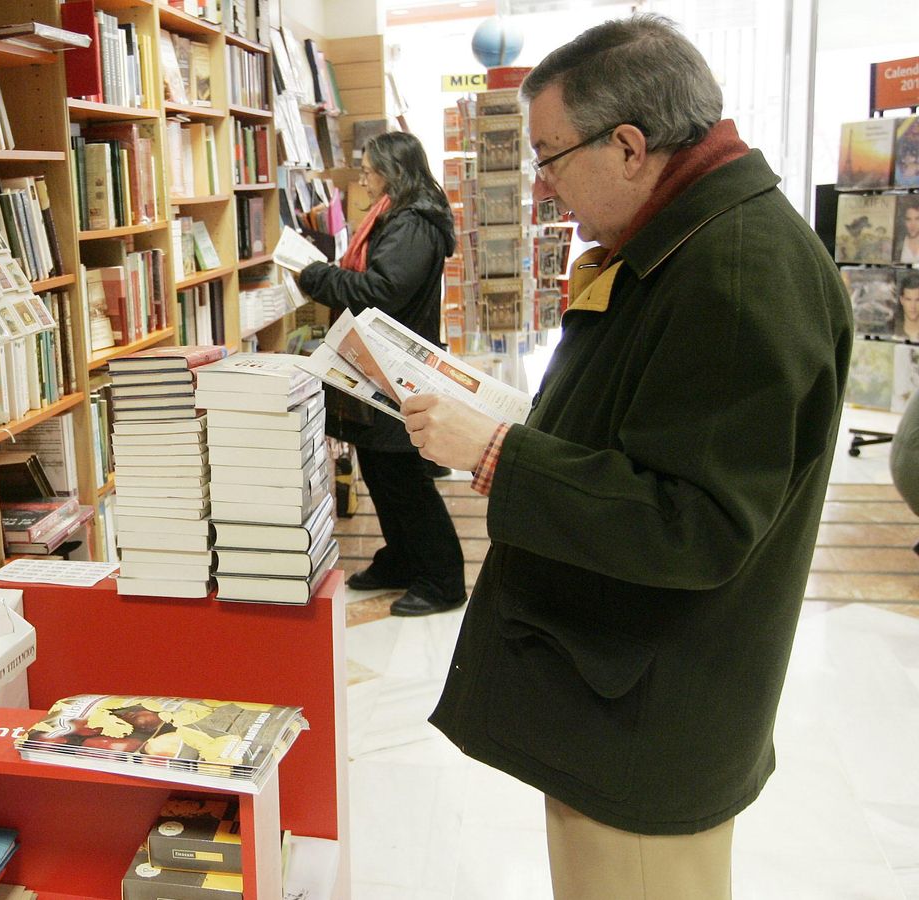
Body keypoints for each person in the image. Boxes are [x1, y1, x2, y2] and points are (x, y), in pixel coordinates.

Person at [399, 16, 851, 900]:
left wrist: (498, 452)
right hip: (626, 686)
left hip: (649, 705)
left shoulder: (732, 269)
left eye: (551, 158)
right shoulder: (697, 241)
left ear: (631, 146)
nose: (545, 188)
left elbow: (696, 523)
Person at [295, 131, 465, 616]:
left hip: (396, 368)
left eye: (369, 171)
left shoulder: (413, 223)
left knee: (403, 473)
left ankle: (442, 578)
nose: (364, 181)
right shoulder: (399, 216)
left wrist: (317, 277)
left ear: (393, 170)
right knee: (381, 468)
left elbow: (383, 289)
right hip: (378, 364)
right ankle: (402, 560)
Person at [899, 196, 919, 264]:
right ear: (904, 221)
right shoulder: (899, 243)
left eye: (917, 219)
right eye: (908, 219)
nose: (913, 224)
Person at [900, 271, 919, 341]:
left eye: (918, 300)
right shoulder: (892, 334)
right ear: (901, 300)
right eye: (908, 299)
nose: (913, 306)